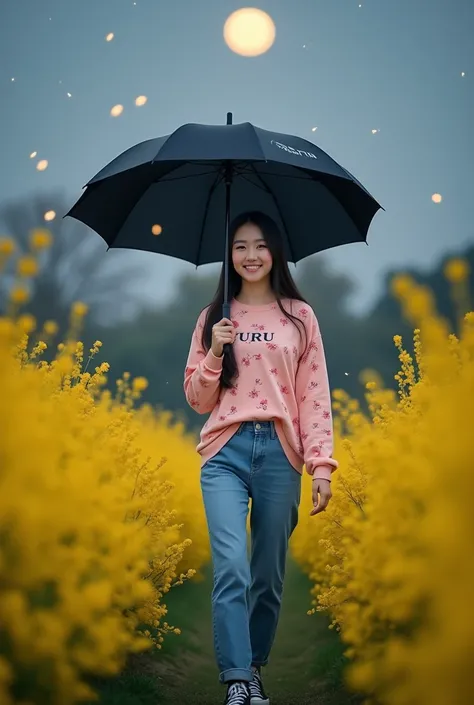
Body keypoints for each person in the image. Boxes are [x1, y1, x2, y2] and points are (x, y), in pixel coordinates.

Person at [183, 210, 338, 705]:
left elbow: (314, 396)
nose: (250, 256)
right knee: (231, 567)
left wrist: (321, 465)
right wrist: (213, 352)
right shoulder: (214, 318)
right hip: (224, 450)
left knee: (268, 576)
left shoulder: (299, 316)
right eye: (240, 246)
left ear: (276, 253)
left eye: (261, 245)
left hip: (279, 452)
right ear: (229, 256)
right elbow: (196, 399)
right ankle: (236, 680)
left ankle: (253, 668)